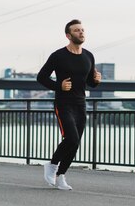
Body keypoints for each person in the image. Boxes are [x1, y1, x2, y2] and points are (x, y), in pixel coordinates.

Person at [37, 19, 101, 190]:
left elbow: (89, 83)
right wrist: (59, 86)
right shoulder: (58, 56)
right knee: (71, 138)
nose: (81, 32)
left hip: (81, 104)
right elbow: (41, 77)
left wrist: (96, 81)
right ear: (68, 35)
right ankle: (52, 165)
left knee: (75, 142)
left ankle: (61, 176)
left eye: (82, 30)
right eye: (77, 30)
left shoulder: (88, 56)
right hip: (63, 104)